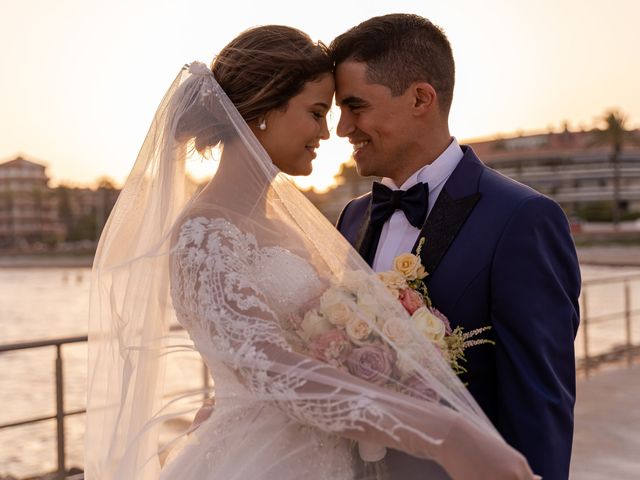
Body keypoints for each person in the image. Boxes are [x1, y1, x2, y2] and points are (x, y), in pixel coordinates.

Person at [85, 25, 537, 480]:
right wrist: (447, 433)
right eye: (317, 112)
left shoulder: (290, 227)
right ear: (262, 111)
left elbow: (282, 345)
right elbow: (271, 370)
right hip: (261, 463)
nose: (330, 132)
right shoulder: (204, 233)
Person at [333, 14, 581, 480]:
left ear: (421, 99)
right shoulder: (352, 217)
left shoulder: (523, 220)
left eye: (355, 106)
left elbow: (540, 408)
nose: (342, 128)